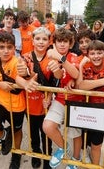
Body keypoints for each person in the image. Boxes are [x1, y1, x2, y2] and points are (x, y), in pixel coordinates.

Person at [0, 31, 37, 169]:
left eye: (9, 47)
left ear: (14, 49)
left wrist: (26, 82)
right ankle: (4, 134)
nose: (5, 51)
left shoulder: (17, 61)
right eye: (2, 47)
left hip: (17, 106)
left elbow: (18, 77)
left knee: (17, 131)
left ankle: (16, 155)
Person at [17, 27, 63, 169]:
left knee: (46, 133)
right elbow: (18, 77)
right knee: (33, 132)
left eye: (44, 39)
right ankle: (36, 152)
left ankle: (48, 156)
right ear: (32, 40)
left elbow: (57, 79)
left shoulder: (53, 58)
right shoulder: (25, 57)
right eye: (38, 39)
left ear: (49, 41)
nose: (41, 42)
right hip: (30, 103)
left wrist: (57, 70)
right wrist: (24, 77)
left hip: (46, 104)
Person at [42, 28, 83, 169]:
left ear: (70, 44)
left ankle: (75, 160)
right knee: (47, 125)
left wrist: (61, 59)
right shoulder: (50, 56)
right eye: (59, 41)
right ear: (55, 43)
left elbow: (76, 74)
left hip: (76, 102)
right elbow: (55, 77)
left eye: (65, 41)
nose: (62, 44)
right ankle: (63, 148)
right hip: (59, 99)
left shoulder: (72, 56)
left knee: (76, 133)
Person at [77, 40, 104, 167]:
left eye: (99, 53)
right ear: (88, 55)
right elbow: (81, 86)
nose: (96, 56)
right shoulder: (86, 66)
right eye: (93, 53)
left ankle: (97, 164)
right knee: (87, 141)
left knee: (98, 144)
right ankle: (88, 161)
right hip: (89, 110)